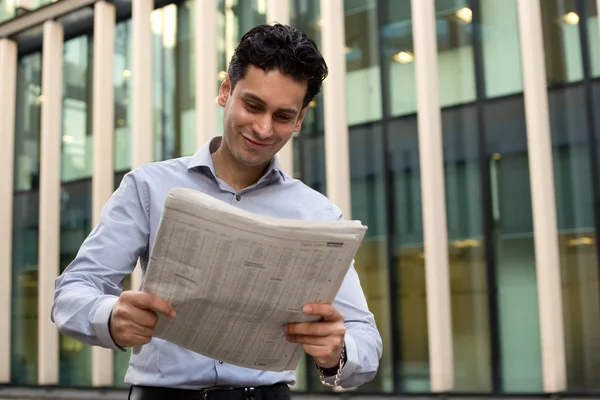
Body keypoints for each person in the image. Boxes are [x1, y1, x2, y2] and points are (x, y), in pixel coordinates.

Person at [51, 23, 382, 400]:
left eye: (282, 116)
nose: (262, 128)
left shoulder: (317, 213)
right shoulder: (148, 186)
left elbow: (365, 338)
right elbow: (72, 293)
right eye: (253, 105)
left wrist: (337, 352)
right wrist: (109, 316)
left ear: (300, 120)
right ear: (226, 90)